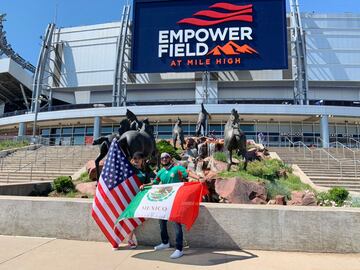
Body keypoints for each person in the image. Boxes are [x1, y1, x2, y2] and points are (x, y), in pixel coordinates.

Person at [140, 152, 192, 259]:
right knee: (161, 221)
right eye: (162, 158)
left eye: (166, 157)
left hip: (176, 200)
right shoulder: (160, 171)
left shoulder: (177, 168)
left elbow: (188, 173)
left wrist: (198, 178)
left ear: (170, 158)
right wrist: (145, 185)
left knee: (176, 223)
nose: (164, 159)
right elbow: (154, 183)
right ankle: (165, 242)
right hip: (164, 200)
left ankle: (179, 249)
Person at [127, 151, 151, 249]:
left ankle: (129, 239)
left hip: (138, 198)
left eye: (138, 158)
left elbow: (150, 183)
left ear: (142, 160)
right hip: (128, 196)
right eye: (135, 158)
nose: (137, 160)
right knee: (126, 217)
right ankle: (118, 239)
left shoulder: (145, 171)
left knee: (133, 218)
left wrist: (145, 185)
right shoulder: (130, 169)